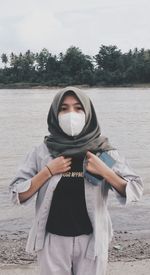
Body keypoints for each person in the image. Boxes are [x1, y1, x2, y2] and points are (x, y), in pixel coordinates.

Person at [10, 86, 143, 275]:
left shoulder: (104, 151)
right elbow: (17, 195)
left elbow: (136, 189)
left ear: (88, 113)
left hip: (92, 241)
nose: (71, 115)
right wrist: (48, 171)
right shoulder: (42, 151)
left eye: (78, 108)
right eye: (64, 109)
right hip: (52, 241)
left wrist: (106, 172)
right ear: (55, 114)